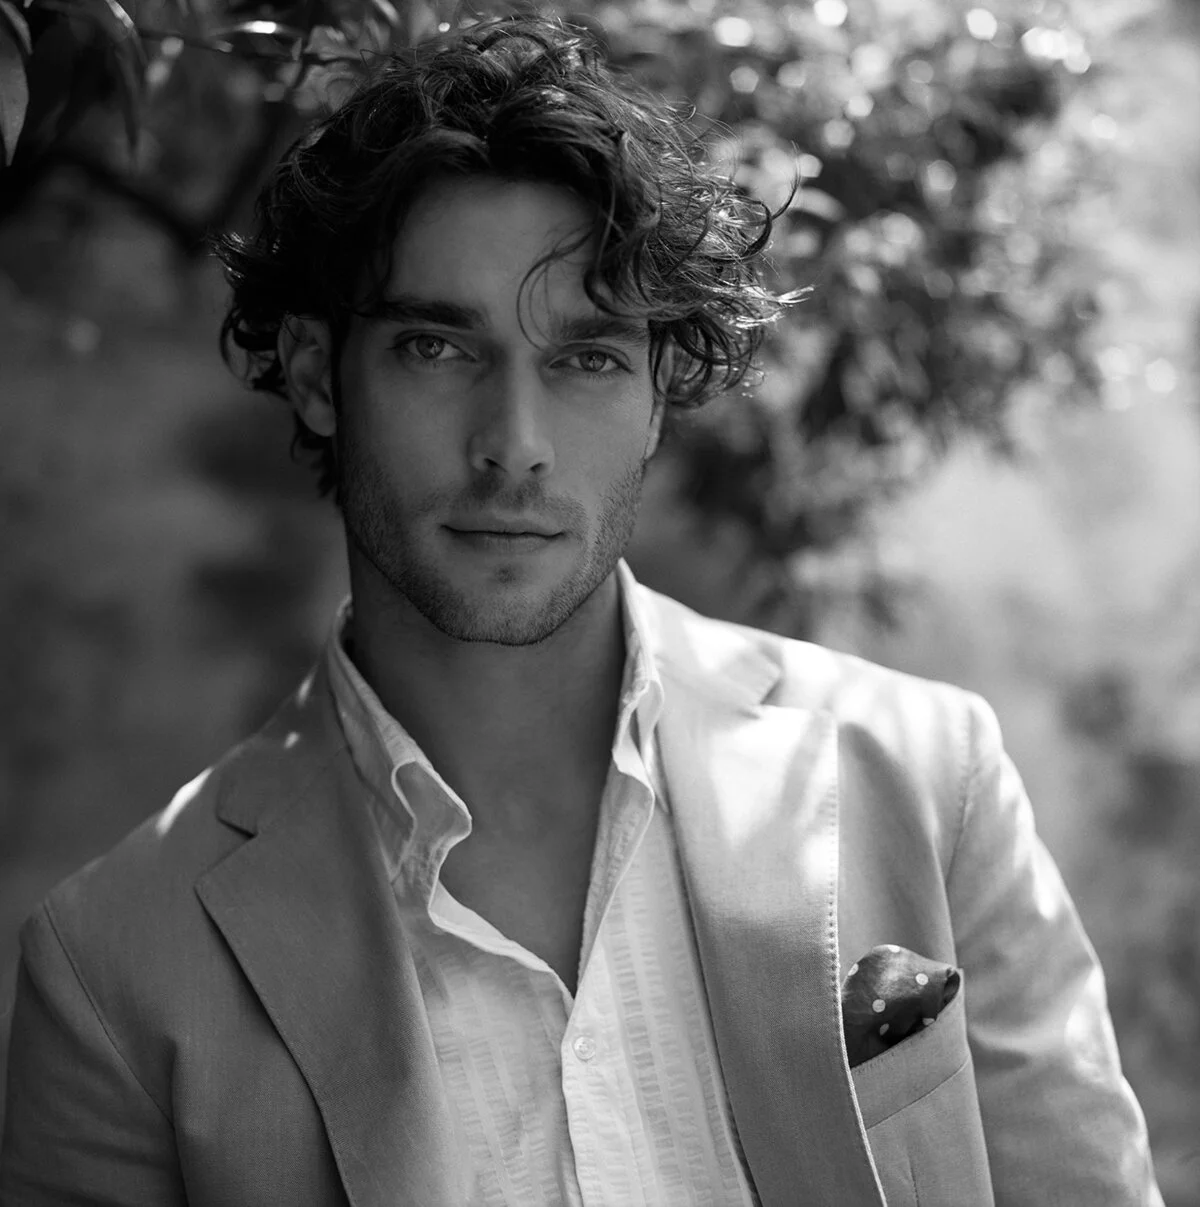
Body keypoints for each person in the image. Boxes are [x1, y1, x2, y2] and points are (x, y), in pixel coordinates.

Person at [0, 14, 1163, 1207]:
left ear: (660, 394)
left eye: (588, 357)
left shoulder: (927, 777)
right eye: (437, 350)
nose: (515, 445)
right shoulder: (113, 972)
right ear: (313, 372)